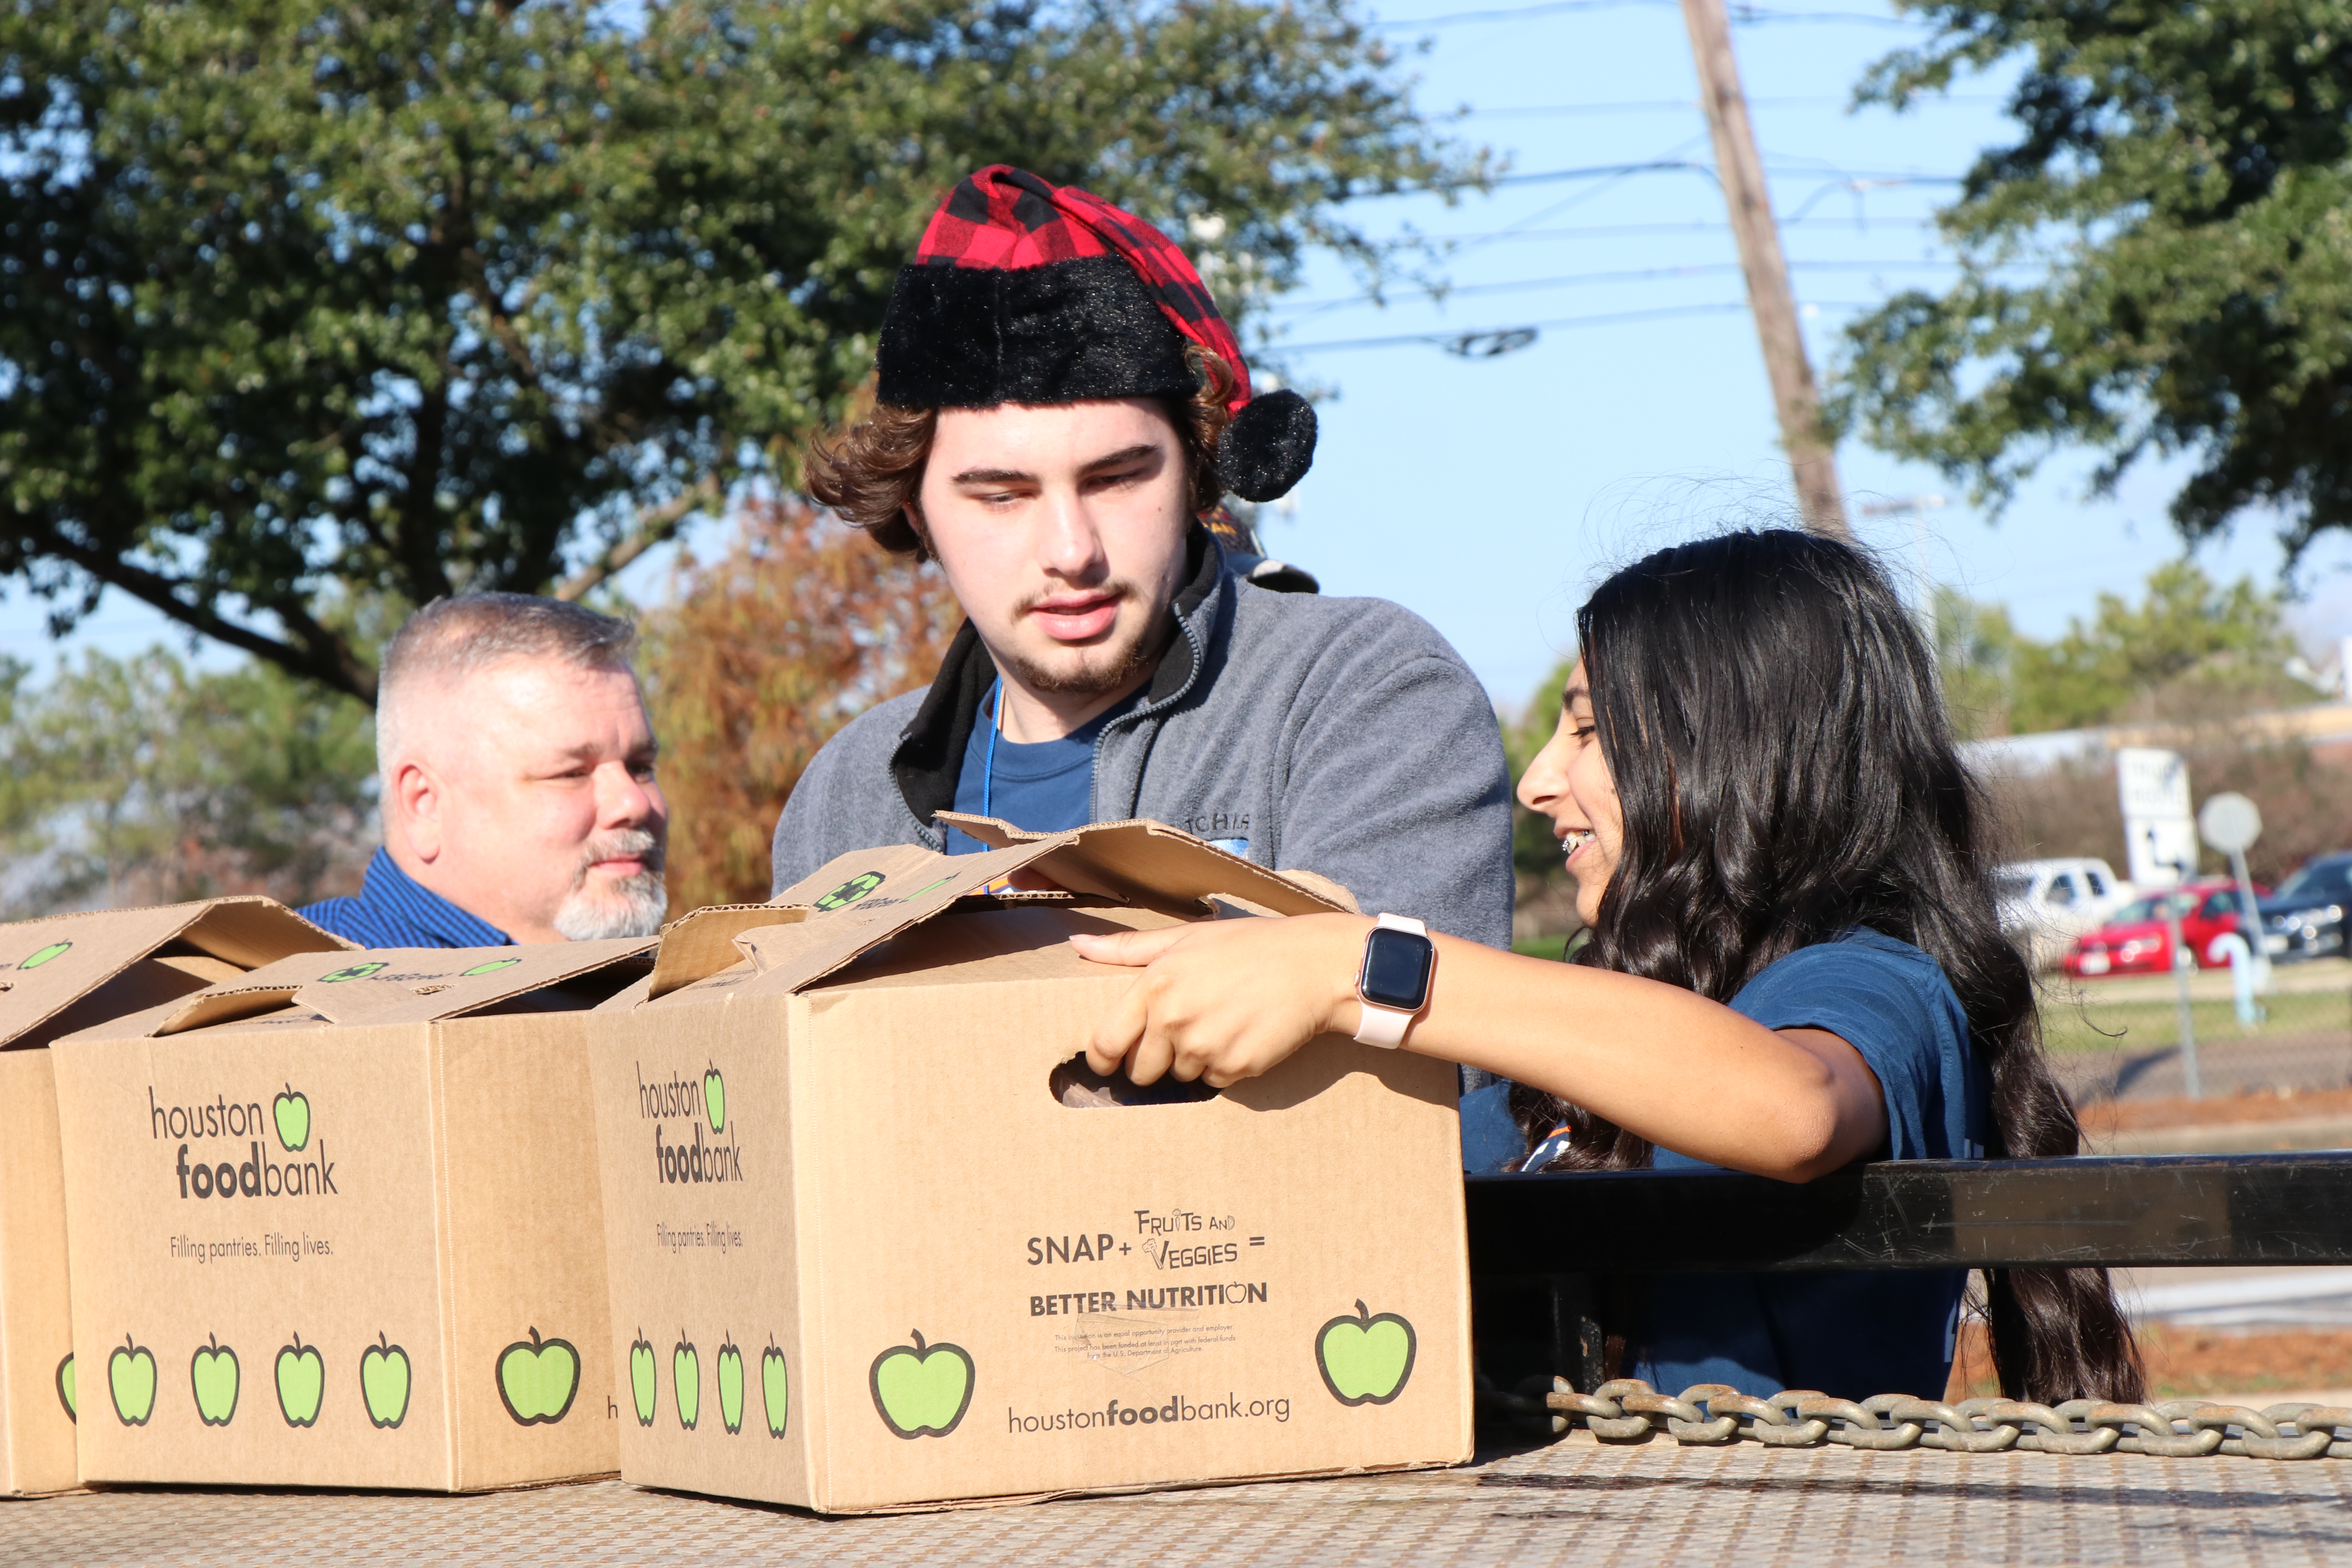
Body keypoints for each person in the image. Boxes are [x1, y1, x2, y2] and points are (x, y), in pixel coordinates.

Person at [1067, 528, 2142, 1406]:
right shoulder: (1585, 1051)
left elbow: (1791, 1105)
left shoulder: (1871, 982)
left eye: (1587, 733)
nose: (1537, 782)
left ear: (1737, 754)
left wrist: (1367, 968)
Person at [770, 165, 1513, 950]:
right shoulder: (844, 796)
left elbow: (1418, 1058)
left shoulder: (1355, 694)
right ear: (917, 510)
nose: (1071, 550)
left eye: (1117, 479)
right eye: (1002, 495)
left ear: (1196, 470)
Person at [299, 593, 669, 947]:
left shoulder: (682, 993)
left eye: (640, 768)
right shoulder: (299, 995)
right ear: (424, 804)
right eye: (572, 774)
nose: (633, 803)